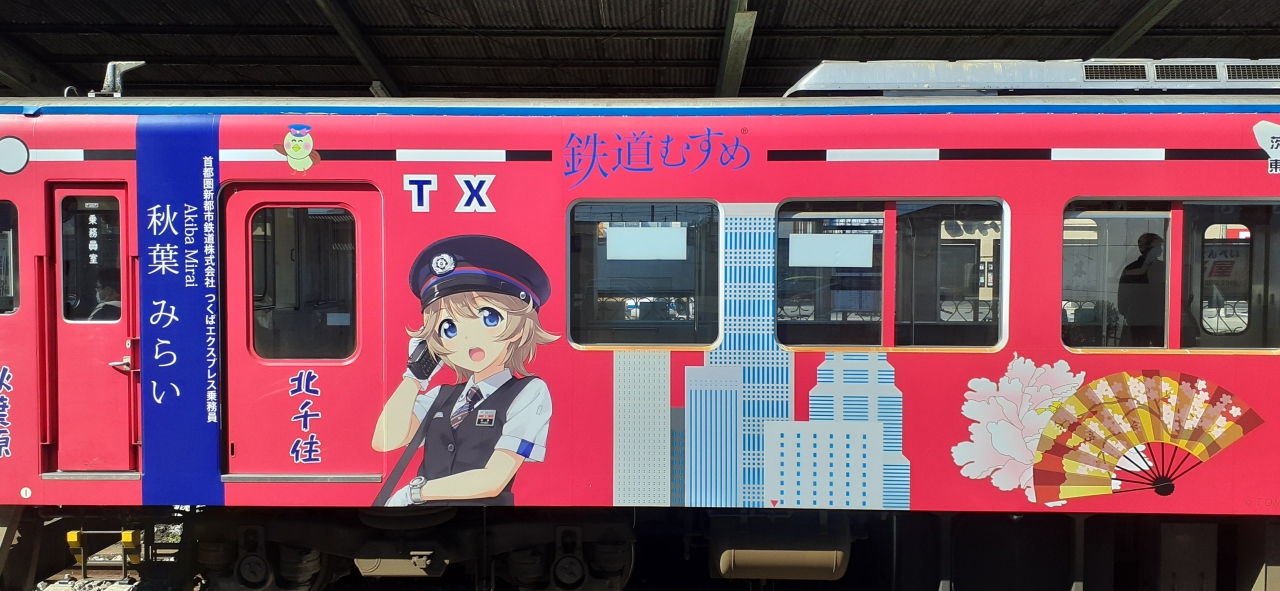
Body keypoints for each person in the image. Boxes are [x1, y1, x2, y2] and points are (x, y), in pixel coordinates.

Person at [372, 235, 558, 506]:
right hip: (427, 519)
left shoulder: (529, 392)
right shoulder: (441, 396)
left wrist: (415, 494)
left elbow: (493, 480)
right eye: (449, 328)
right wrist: (414, 376)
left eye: (489, 318)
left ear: (520, 326)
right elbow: (385, 441)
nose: (468, 338)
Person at [1117, 233, 1166, 347]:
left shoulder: (1131, 268)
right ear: (1149, 249)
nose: (1161, 249)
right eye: (1158, 246)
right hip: (1150, 319)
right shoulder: (1161, 268)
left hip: (1142, 318)